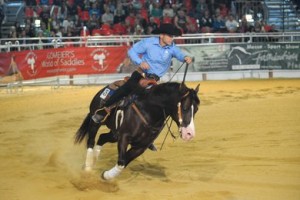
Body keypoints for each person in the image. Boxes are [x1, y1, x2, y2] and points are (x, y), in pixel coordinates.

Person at [92, 23, 193, 150]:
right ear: (161, 35)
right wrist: (140, 62)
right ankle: (105, 109)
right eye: (170, 36)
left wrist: (185, 57)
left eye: (173, 36)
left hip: (154, 81)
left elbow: (179, 54)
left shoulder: (171, 47)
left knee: (157, 106)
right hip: (141, 75)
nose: (172, 38)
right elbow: (132, 51)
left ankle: (147, 136)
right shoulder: (149, 43)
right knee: (125, 89)